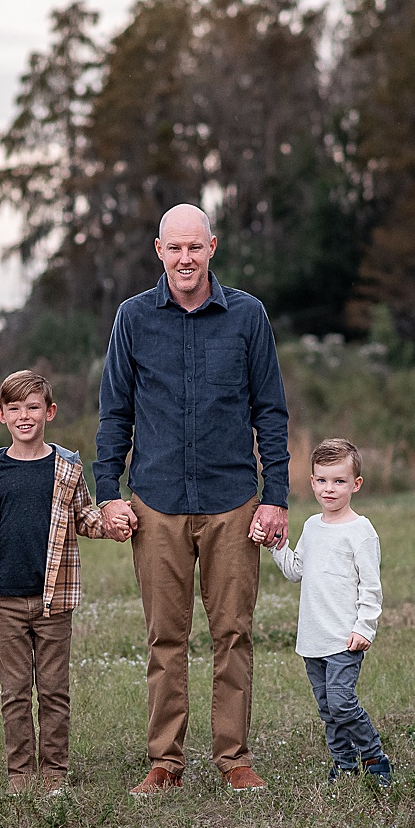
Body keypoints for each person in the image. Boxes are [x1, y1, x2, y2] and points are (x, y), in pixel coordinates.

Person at [94, 203, 291, 795]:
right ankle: (165, 763)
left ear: (212, 248)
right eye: (174, 248)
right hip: (155, 502)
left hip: (233, 500)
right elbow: (115, 414)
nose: (185, 258)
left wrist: (274, 497)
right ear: (159, 250)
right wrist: (109, 493)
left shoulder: (248, 316)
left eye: (195, 247)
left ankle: (234, 759)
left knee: (233, 632)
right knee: (165, 638)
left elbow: (271, 412)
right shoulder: (132, 319)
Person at [0, 370, 130, 796]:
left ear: (49, 412)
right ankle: (20, 775)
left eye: (33, 407)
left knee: (54, 691)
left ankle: (55, 773)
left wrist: (112, 524)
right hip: (5, 599)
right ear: (1, 415)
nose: (25, 416)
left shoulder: (67, 468)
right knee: (14, 692)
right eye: (15, 408)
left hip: (54, 599)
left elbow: (85, 518)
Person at [268, 438, 391, 786]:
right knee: (327, 709)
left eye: (339, 481)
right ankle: (344, 764)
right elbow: (295, 571)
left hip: (344, 638)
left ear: (356, 484)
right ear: (312, 482)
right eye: (322, 480)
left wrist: (365, 628)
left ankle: (373, 757)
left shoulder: (361, 532)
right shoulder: (311, 526)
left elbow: (371, 586)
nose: (329, 489)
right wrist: (277, 545)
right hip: (313, 638)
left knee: (341, 702)